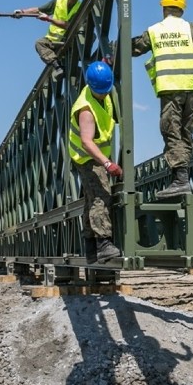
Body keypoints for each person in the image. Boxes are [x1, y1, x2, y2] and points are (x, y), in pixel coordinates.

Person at [131, 0, 193, 198]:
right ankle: (182, 179)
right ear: (182, 9)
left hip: (170, 89)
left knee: (171, 132)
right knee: (185, 134)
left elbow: (133, 48)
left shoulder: (155, 31)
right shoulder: (192, 28)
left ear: (164, 8)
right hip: (191, 89)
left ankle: (180, 181)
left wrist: (111, 50)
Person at [69, 61, 123, 263]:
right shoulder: (85, 109)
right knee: (101, 195)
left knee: (91, 198)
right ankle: (103, 244)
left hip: (97, 155)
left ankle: (90, 247)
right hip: (87, 157)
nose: (103, 94)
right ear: (91, 87)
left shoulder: (102, 85)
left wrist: (108, 61)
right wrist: (108, 163)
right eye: (100, 92)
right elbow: (86, 142)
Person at [11, 0, 87, 74]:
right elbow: (39, 10)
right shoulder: (59, 2)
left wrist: (49, 19)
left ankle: (72, 69)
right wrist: (22, 12)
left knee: (73, 67)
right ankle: (56, 65)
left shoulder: (80, 8)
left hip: (69, 42)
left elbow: (69, 26)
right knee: (39, 43)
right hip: (53, 43)